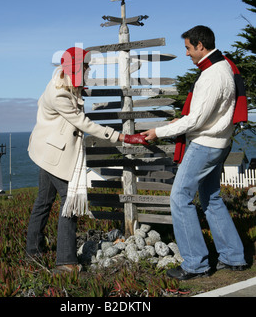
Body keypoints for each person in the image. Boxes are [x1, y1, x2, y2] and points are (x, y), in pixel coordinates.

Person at [26, 46, 146, 274]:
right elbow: (84, 124)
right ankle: (65, 262)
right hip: (55, 156)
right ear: (76, 68)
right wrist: (121, 136)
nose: (89, 70)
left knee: (43, 203)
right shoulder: (60, 93)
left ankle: (32, 252)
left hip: (46, 150)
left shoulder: (62, 81)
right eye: (85, 67)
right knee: (69, 204)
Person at [141, 25, 248, 280]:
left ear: (201, 45)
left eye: (188, 48)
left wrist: (159, 131)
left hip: (206, 144)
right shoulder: (223, 67)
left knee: (179, 197)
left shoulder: (212, 75)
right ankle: (234, 257)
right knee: (210, 198)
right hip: (220, 143)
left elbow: (196, 119)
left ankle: (195, 264)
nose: (187, 53)